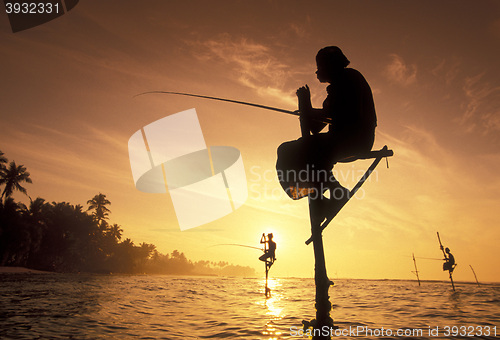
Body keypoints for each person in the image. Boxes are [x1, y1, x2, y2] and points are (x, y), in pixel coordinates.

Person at [276, 46, 377, 216]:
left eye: (320, 67)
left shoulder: (350, 78)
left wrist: (311, 111)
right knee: (288, 151)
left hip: (356, 139)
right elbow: (315, 129)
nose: (317, 72)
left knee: (298, 150)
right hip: (339, 139)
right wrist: (307, 108)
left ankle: (332, 192)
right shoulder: (334, 91)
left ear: (332, 65)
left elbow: (346, 113)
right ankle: (319, 194)